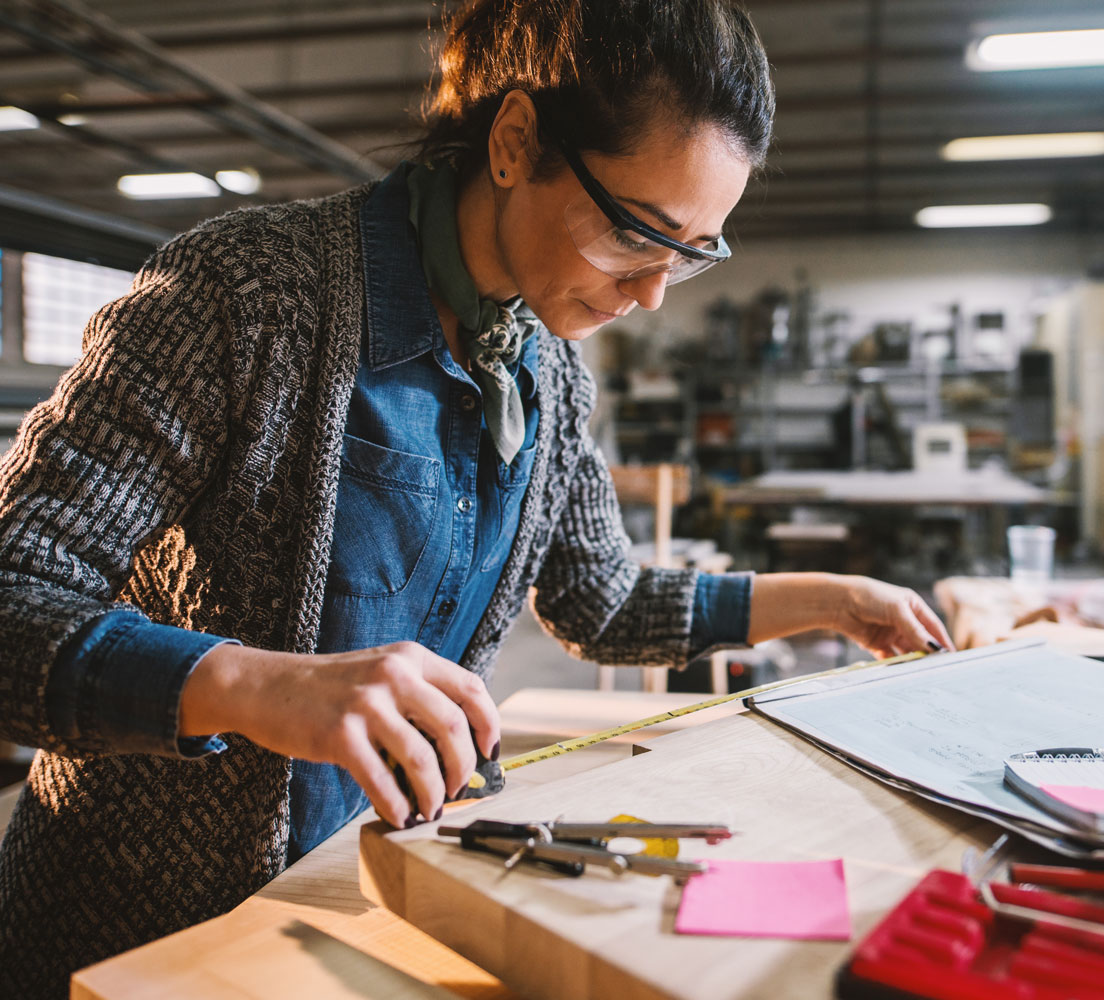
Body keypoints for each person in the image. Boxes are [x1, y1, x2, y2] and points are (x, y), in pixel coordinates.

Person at [0, 1, 953, 995]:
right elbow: (11, 598)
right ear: (512, 145)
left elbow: (605, 602)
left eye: (693, 251)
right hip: (126, 938)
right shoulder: (246, 296)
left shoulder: (546, 367)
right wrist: (263, 689)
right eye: (637, 233)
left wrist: (833, 600)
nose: (652, 294)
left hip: (346, 908)